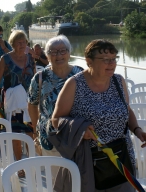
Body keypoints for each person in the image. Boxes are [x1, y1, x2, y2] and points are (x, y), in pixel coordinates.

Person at [52, 39, 146, 191]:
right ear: (89, 61)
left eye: (114, 59)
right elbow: (56, 120)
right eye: (105, 60)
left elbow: (126, 110)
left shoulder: (118, 81)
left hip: (122, 157)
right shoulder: (74, 84)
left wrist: (137, 130)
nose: (112, 64)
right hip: (89, 161)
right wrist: (81, 131)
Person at [27, 35, 83, 181]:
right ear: (47, 55)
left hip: (77, 136)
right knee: (56, 181)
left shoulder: (81, 74)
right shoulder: (40, 78)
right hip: (49, 137)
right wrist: (35, 132)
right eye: (53, 52)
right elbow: (32, 104)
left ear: (69, 53)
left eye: (62, 51)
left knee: (78, 181)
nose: (58, 55)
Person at [0, 30, 36, 176]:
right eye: (19, 42)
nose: (22, 45)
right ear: (12, 44)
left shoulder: (30, 58)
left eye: (24, 42)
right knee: (16, 134)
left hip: (29, 102)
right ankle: (19, 165)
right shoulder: (5, 59)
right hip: (13, 103)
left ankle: (30, 162)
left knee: (31, 133)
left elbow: (35, 79)